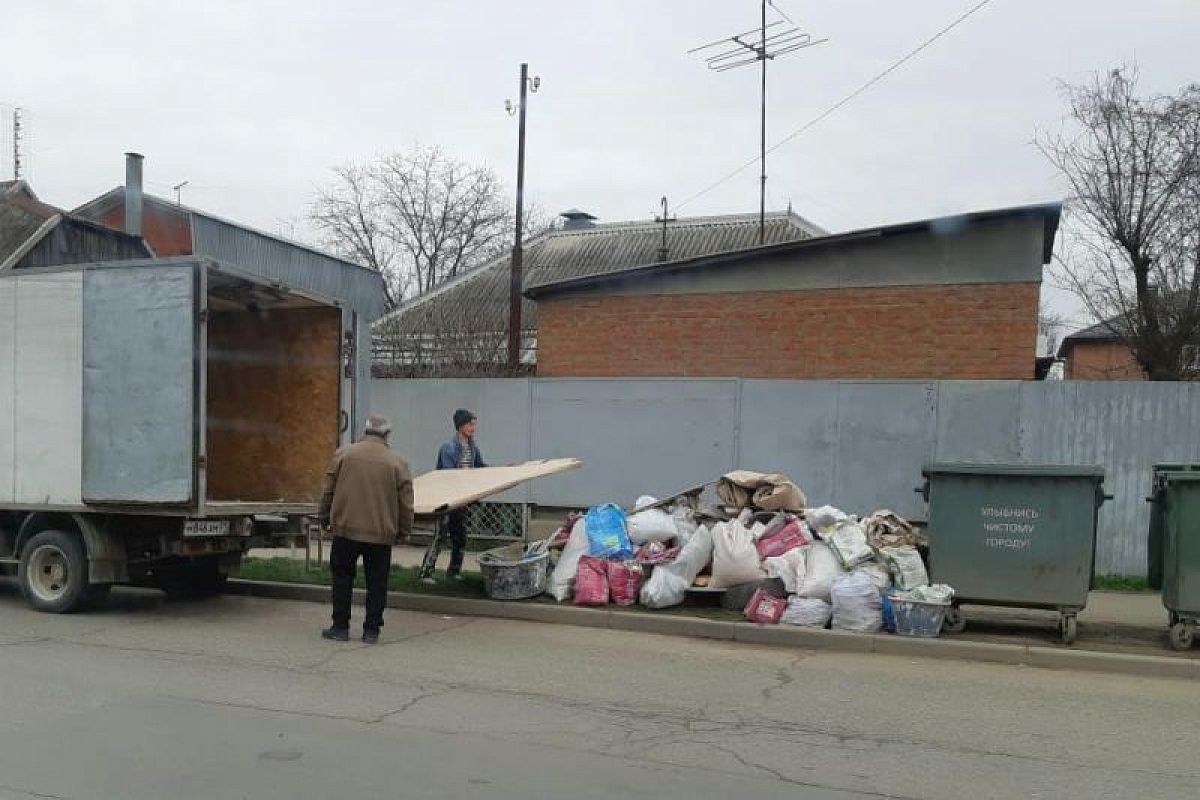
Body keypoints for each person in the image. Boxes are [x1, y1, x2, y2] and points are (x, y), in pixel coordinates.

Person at [318, 415, 414, 644]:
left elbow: (328, 491)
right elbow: (406, 502)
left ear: (366, 431)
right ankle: (371, 630)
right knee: (377, 583)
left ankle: (340, 627)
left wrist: (324, 517)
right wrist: (404, 530)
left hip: (346, 530)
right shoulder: (397, 462)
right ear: (387, 435)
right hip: (380, 534)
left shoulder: (344, 454)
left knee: (342, 578)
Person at [434, 408, 486, 579]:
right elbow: (449, 476)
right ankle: (426, 572)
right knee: (440, 537)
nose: (473, 428)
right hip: (447, 500)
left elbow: (479, 467)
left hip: (462, 501)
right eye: (470, 424)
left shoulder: (473, 447)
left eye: (474, 424)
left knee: (460, 537)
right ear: (460, 426)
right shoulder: (448, 448)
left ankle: (454, 571)